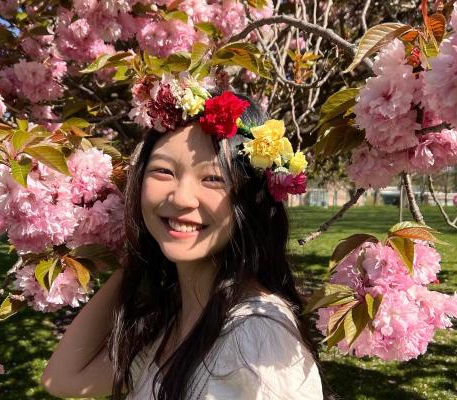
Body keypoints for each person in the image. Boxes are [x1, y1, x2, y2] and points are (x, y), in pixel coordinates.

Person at [41, 84, 327, 399]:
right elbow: (62, 379)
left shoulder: (256, 336)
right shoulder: (171, 322)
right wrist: (136, 258)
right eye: (164, 172)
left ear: (248, 199)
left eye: (214, 178)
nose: (181, 197)